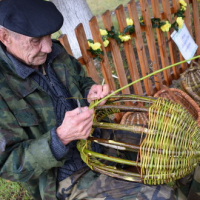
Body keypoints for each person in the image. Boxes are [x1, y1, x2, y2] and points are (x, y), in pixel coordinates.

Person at [0, 0, 187, 199]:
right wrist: (60, 138)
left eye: (49, 36)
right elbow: (9, 165)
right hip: (67, 175)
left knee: (181, 153)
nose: (47, 47)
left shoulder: (55, 51)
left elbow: (82, 81)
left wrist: (92, 91)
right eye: (36, 40)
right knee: (162, 196)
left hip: (105, 141)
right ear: (5, 37)